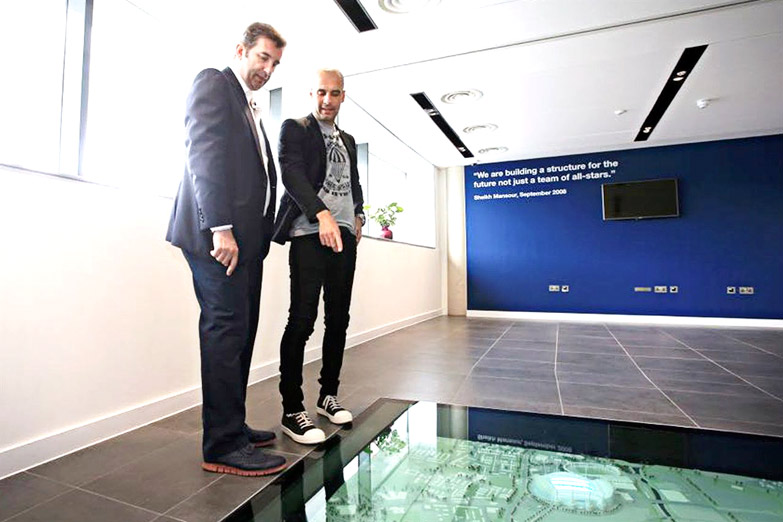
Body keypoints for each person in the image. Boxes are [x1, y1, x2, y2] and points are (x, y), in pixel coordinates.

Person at [166, 22, 287, 476]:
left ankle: (233, 426)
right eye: (263, 58)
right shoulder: (214, 82)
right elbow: (205, 155)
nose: (268, 69)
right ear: (241, 51)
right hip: (219, 240)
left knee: (241, 331)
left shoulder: (246, 101)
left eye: (275, 63)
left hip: (246, 243)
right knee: (225, 331)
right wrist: (221, 229)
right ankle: (221, 445)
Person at [272, 68, 365, 444]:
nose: (327, 100)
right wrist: (321, 214)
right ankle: (292, 410)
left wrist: (359, 213)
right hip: (309, 233)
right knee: (302, 319)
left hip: (344, 237)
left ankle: (328, 396)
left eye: (335, 93)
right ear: (312, 94)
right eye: (321, 92)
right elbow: (291, 174)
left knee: (338, 319)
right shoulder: (296, 129)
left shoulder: (349, 140)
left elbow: (354, 180)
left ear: (343, 96)